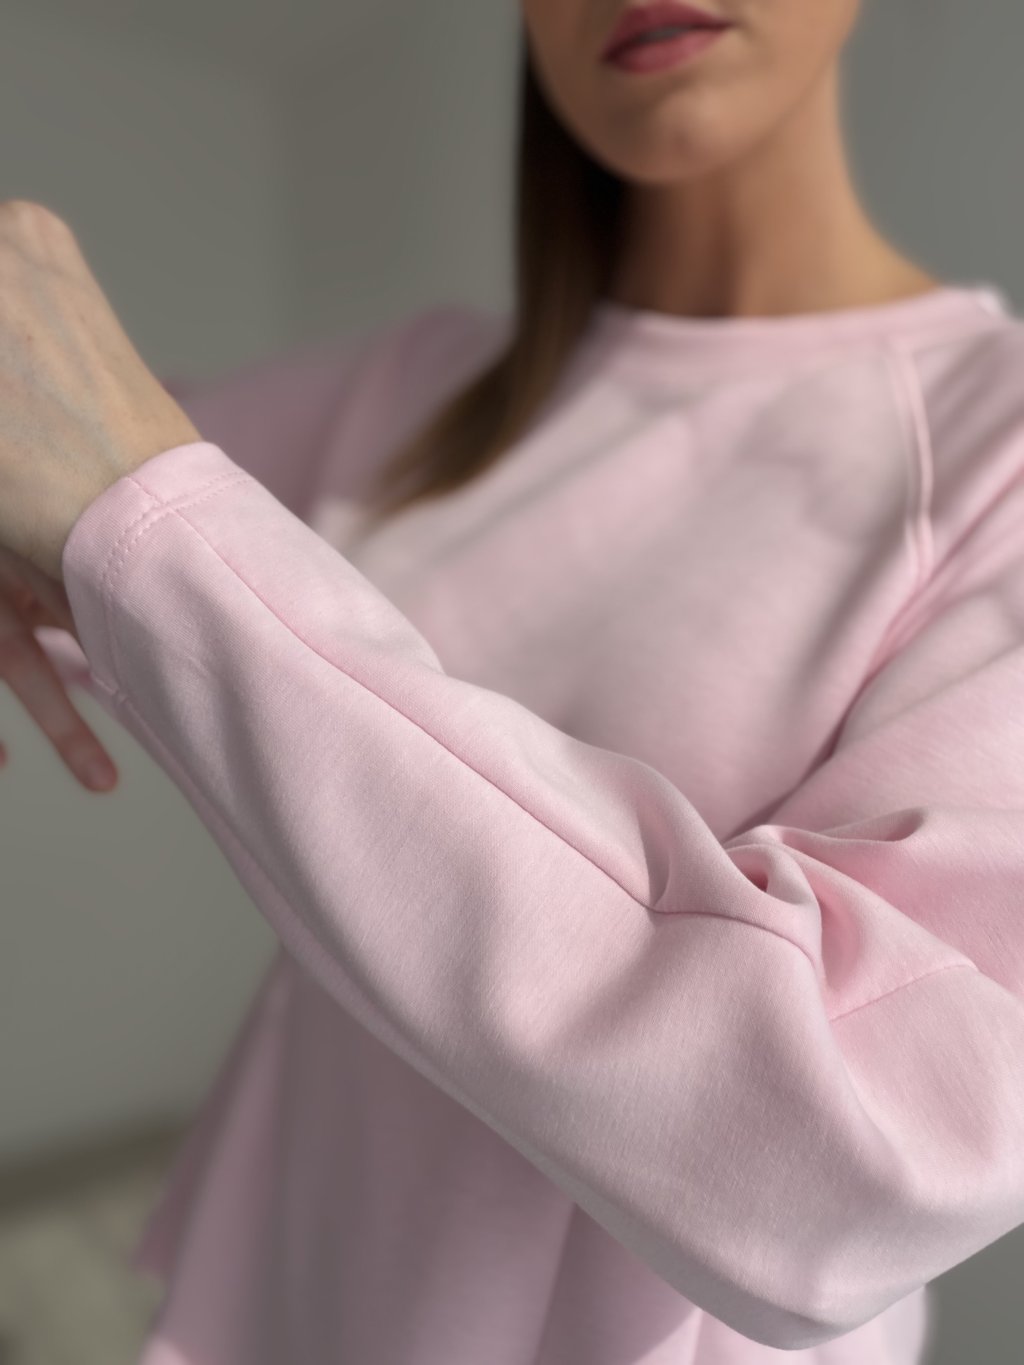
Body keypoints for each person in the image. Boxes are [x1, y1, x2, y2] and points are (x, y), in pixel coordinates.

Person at [5, 2, 1024, 1361]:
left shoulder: (995, 448)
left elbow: (860, 1152)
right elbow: (46, 459)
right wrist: (104, 525)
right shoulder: (413, 393)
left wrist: (146, 524)